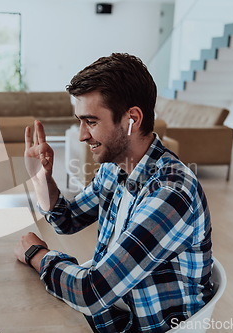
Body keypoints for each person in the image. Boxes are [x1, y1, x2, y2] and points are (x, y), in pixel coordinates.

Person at [14, 53, 213, 333]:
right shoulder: (115, 169)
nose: (83, 135)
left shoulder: (171, 192)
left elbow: (92, 292)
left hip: (144, 325)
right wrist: (41, 178)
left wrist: (37, 254)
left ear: (132, 119)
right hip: (112, 312)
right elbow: (66, 220)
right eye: (80, 121)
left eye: (91, 122)